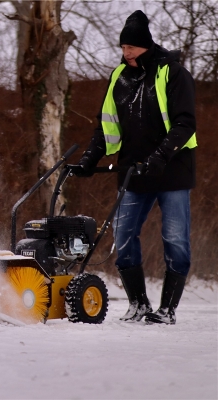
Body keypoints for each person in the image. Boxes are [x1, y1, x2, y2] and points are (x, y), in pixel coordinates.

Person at [74, 10, 197, 325]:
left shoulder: (173, 73)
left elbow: (184, 124)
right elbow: (106, 126)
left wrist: (158, 157)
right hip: (133, 172)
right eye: (123, 47)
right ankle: (139, 304)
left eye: (130, 47)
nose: (125, 53)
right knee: (124, 235)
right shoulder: (119, 77)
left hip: (172, 171)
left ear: (145, 46)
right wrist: (90, 158)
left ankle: (167, 310)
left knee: (175, 238)